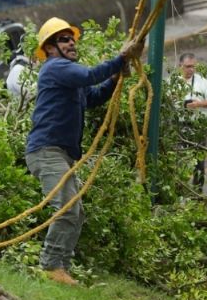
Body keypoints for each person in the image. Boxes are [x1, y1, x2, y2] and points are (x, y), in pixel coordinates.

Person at [25, 17, 143, 285]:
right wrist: (120, 58)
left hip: (61, 152)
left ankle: (60, 268)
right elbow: (90, 75)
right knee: (67, 208)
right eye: (64, 39)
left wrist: (114, 78)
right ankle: (51, 266)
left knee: (76, 212)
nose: (71, 43)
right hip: (47, 150)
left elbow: (93, 97)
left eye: (72, 39)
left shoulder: (68, 76)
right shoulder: (55, 68)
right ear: (50, 47)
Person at [178, 53, 207, 187]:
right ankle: (179, 187)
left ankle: (198, 189)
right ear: (180, 66)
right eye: (188, 67)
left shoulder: (201, 81)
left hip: (197, 125)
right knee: (179, 158)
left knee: (199, 160)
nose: (191, 70)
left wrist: (198, 104)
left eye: (193, 67)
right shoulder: (173, 81)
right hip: (179, 124)